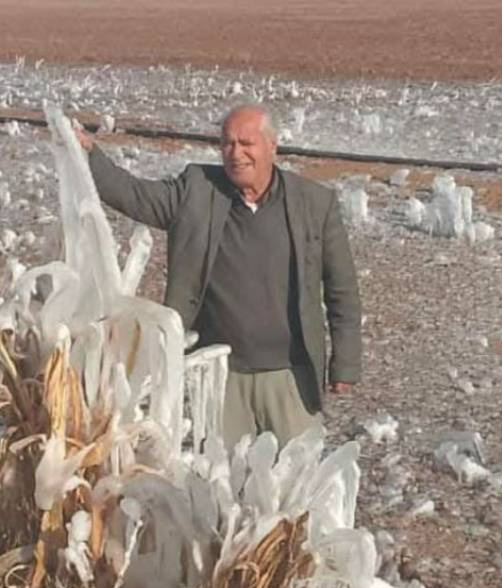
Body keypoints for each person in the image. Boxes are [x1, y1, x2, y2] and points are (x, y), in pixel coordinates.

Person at [76, 104, 361, 447]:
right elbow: (135, 196)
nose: (235, 154)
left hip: (290, 378)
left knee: (297, 487)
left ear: (273, 146)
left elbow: (341, 288)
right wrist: (89, 154)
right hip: (221, 376)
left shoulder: (313, 204)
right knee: (223, 486)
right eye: (227, 144)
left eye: (246, 143)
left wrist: (344, 363)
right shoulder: (197, 191)